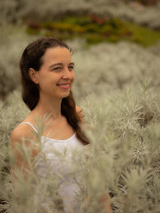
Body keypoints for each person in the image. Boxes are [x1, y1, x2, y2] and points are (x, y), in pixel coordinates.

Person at [10, 36, 112, 213]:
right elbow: (23, 205)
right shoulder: (24, 135)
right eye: (57, 68)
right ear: (34, 75)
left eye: (70, 67)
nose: (68, 75)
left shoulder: (76, 116)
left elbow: (98, 184)